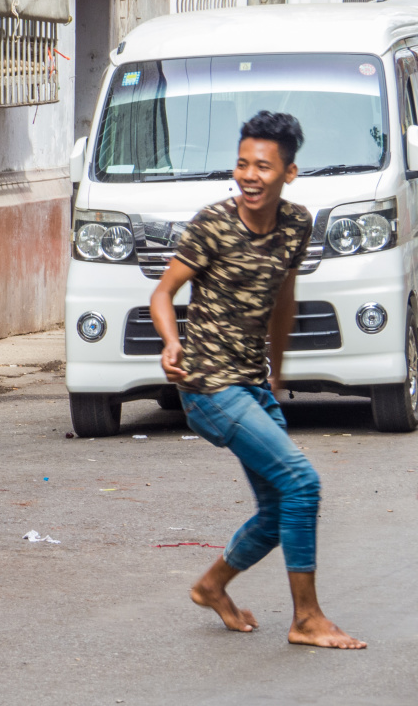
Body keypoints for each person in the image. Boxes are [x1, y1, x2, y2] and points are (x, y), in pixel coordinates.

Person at [149, 110, 366, 650]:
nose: (249, 175)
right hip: (207, 386)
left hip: (250, 383)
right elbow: (163, 293)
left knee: (277, 510)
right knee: (302, 483)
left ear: (288, 173)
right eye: (242, 164)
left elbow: (284, 299)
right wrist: (171, 342)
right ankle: (306, 618)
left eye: (262, 166)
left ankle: (211, 586)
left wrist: (278, 372)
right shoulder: (213, 224)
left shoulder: (296, 224)